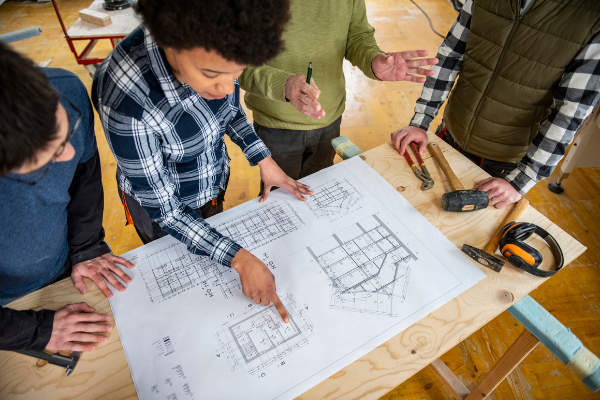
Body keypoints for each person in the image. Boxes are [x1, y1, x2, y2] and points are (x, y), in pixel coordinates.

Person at [92, 0, 308, 323]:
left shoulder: (222, 41)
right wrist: (240, 260)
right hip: (162, 213)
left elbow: (229, 110)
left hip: (211, 183)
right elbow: (167, 212)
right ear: (171, 43)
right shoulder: (125, 99)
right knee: (186, 296)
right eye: (212, 76)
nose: (225, 88)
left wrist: (263, 159)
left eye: (236, 73)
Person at [392, 0, 600, 208]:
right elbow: (450, 56)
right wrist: (421, 121)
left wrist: (519, 182)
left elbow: (570, 111)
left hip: (503, 165)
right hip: (448, 135)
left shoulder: (592, 18)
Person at [0, 43, 134, 352]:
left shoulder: (64, 87)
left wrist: (86, 245)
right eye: (51, 155)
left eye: (66, 130)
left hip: (65, 263)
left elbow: (84, 175)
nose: (71, 152)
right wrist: (37, 331)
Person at [238, 0, 438, 188]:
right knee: (279, 203)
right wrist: (285, 85)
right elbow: (234, 65)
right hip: (275, 123)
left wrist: (372, 60)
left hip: (329, 117)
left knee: (321, 193)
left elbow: (357, 36)